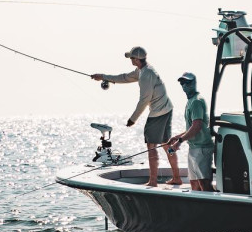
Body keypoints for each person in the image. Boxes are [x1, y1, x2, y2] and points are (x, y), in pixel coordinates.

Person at [91, 46, 179, 187]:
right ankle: (176, 178)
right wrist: (103, 76)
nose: (130, 60)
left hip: (158, 112)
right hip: (166, 109)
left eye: (131, 58)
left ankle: (153, 181)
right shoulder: (142, 70)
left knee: (151, 146)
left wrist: (133, 119)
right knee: (167, 144)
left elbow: (144, 99)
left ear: (137, 59)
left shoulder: (146, 75)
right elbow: (124, 77)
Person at [167, 72, 215, 191]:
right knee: (194, 184)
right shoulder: (191, 101)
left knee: (204, 185)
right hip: (194, 149)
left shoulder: (196, 102)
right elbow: (192, 127)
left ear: (194, 83)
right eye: (182, 83)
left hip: (202, 149)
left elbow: (197, 126)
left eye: (187, 82)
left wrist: (179, 142)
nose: (184, 85)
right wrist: (177, 137)